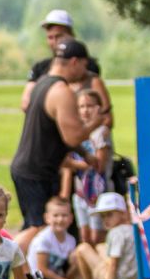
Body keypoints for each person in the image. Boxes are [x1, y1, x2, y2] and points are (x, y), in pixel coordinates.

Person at [9, 39, 109, 255]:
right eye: (84, 66)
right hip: (35, 170)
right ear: (74, 62)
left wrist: (85, 155)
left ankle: (31, 275)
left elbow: (59, 133)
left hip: (29, 167)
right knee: (38, 227)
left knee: (38, 224)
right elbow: (73, 137)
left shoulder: (42, 83)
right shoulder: (61, 90)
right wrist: (98, 121)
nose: (85, 73)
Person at [21, 10, 111, 113]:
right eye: (50, 37)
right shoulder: (39, 67)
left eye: (59, 36)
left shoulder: (88, 66)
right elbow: (26, 103)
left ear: (71, 35)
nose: (55, 41)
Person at [71, 193, 139, 279]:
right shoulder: (134, 229)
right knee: (100, 247)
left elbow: (113, 265)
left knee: (82, 249)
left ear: (123, 213)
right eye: (102, 216)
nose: (105, 220)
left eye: (109, 214)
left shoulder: (115, 233)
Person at [70, 88, 113, 245]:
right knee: (85, 237)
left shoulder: (101, 132)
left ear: (99, 108)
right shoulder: (75, 132)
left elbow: (98, 165)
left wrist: (72, 164)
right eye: (81, 106)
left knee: (97, 238)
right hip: (80, 193)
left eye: (89, 106)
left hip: (98, 194)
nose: (85, 110)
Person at [28, 197, 85, 279]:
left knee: (77, 258)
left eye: (64, 215)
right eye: (56, 215)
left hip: (55, 276)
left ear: (71, 218)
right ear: (47, 218)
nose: (60, 219)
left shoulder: (71, 240)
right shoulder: (44, 239)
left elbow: (67, 267)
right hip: (39, 278)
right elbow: (42, 270)